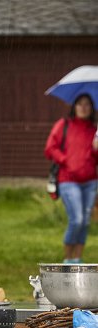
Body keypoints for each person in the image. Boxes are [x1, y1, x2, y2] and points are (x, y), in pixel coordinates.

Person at [44, 94, 98, 264]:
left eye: (87, 104)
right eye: (80, 104)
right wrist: (66, 159)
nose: (83, 107)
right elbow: (50, 149)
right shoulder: (64, 125)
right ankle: (67, 260)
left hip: (90, 182)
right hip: (68, 180)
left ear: (92, 108)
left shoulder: (95, 131)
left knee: (86, 220)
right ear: (74, 106)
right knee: (77, 219)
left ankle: (77, 259)